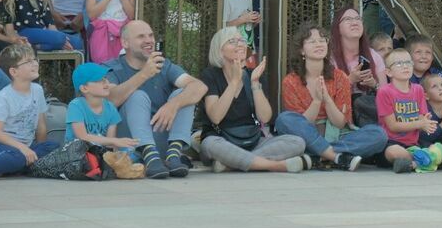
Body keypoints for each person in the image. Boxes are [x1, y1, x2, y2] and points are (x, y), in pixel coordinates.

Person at [275, 22, 388, 171]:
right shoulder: (291, 81)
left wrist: (327, 99)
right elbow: (301, 124)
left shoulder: (339, 76)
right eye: (312, 41)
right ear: (302, 50)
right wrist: (316, 101)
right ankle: (337, 157)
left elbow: (341, 123)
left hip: (337, 134)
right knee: (284, 119)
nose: (319, 44)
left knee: (379, 134)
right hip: (308, 135)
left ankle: (317, 156)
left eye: (322, 40)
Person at [198, 27, 310, 173]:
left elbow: (265, 117)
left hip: (252, 141)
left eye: (242, 40)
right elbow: (216, 117)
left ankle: (231, 164)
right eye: (232, 41)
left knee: (297, 142)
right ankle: (275, 166)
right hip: (221, 139)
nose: (240, 44)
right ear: (219, 50)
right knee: (210, 144)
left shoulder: (253, 75)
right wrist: (234, 82)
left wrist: (255, 83)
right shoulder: (210, 75)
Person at [106, 19, 206, 178]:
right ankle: (149, 154)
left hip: (161, 139)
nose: (148, 40)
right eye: (141, 36)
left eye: (151, 35)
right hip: (130, 143)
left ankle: (174, 154)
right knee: (137, 96)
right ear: (125, 43)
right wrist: (144, 74)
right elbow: (111, 99)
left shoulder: (163, 65)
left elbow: (200, 87)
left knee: (184, 93)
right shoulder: (112, 68)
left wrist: (173, 105)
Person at [0, 44, 57, 179]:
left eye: (34, 59)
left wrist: (41, 157)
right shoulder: (4, 97)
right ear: (14, 72)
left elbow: (41, 127)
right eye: (28, 61)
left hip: (24, 147)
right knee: (17, 155)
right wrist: (23, 149)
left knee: (52, 146)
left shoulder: (37, 90)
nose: (34, 63)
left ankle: (11, 167)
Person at [377, 47, 442, 172]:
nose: (405, 66)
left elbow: (422, 118)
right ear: (389, 72)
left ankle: (414, 164)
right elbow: (392, 126)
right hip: (392, 142)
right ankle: (432, 160)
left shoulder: (418, 89)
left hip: (415, 144)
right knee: (393, 152)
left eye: (408, 62)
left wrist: (426, 124)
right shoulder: (384, 91)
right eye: (399, 63)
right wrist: (419, 123)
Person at [64, 63, 143, 179]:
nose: (106, 82)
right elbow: (82, 136)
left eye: (105, 78)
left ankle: (110, 167)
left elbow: (110, 144)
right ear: (84, 88)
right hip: (77, 154)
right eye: (99, 80)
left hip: (100, 153)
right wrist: (115, 141)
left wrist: (118, 149)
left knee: (133, 153)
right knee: (85, 154)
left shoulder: (110, 108)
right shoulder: (76, 105)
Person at [330, 6, 388, 119]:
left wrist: (373, 84)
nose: (354, 22)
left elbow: (386, 94)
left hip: (368, 113)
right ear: (338, 28)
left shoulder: (374, 56)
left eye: (357, 18)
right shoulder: (330, 59)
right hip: (339, 115)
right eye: (348, 19)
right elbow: (326, 96)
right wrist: (349, 80)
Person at [406, 33, 442, 97]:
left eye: (428, 52)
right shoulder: (404, 75)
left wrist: (433, 93)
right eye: (418, 52)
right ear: (407, 56)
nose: (424, 56)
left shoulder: (435, 73)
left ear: (432, 57)